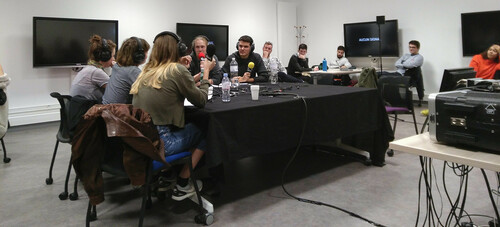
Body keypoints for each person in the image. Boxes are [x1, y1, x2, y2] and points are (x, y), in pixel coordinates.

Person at [131, 31, 210, 201]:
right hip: (162, 144)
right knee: (209, 129)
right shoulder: (177, 70)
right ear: (178, 49)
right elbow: (201, 100)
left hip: (141, 142)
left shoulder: (147, 71)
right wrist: (206, 73)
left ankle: (167, 176)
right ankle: (183, 182)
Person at [102, 37, 150, 104]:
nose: (147, 55)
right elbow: (150, 94)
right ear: (139, 56)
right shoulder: (133, 71)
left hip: (106, 110)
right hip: (116, 113)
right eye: (146, 52)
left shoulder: (117, 66)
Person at [70, 34, 116, 103]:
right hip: (87, 111)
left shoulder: (89, 68)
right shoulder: (95, 72)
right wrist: (117, 69)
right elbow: (116, 90)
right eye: (113, 56)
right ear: (105, 56)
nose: (114, 59)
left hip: (79, 110)